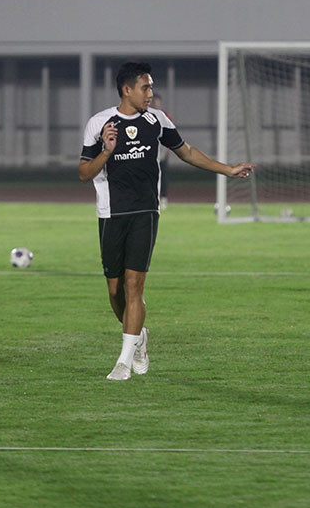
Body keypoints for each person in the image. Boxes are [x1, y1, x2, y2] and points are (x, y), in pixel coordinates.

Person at [79, 61, 254, 381]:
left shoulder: (156, 120)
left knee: (135, 285)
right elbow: (83, 173)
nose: (151, 93)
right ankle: (139, 336)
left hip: (146, 211)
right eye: (145, 87)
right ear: (126, 89)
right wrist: (106, 152)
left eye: (151, 87)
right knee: (115, 291)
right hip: (110, 214)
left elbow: (186, 152)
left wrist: (227, 170)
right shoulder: (100, 123)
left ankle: (124, 360)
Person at [151, 94, 171, 208]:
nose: (155, 104)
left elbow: (170, 132)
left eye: (157, 102)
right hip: (150, 150)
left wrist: (167, 148)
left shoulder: (164, 115)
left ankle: (163, 197)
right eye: (154, 102)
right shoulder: (146, 114)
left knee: (163, 174)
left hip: (162, 149)